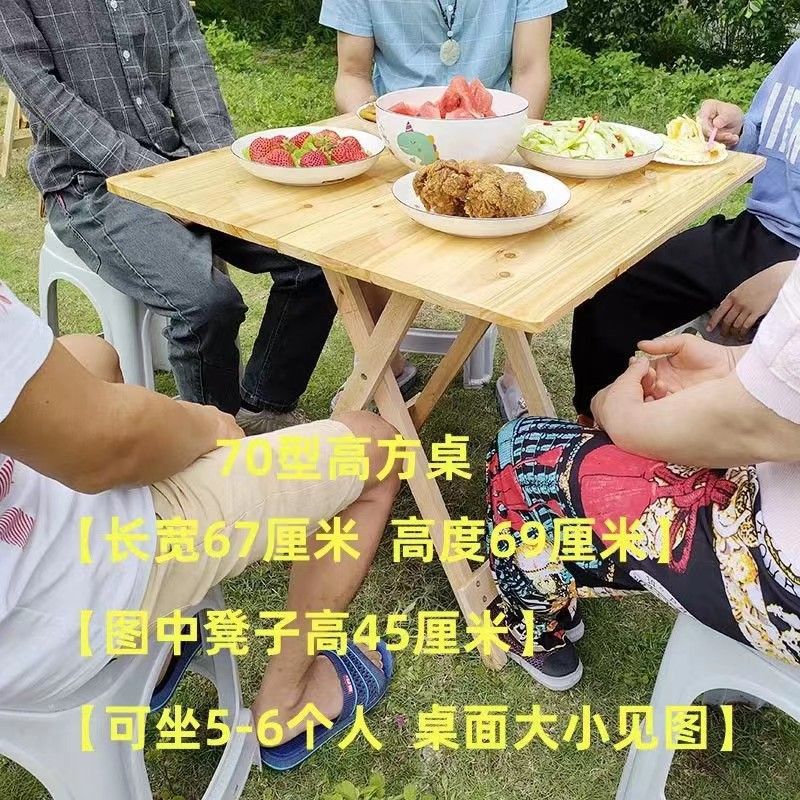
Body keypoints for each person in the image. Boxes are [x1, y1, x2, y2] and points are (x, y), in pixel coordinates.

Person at [0, 281, 400, 768]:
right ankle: (287, 702)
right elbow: (108, 444)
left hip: (27, 554)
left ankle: (162, 649)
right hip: (58, 607)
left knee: (91, 352)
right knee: (379, 445)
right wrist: (206, 424)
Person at [0, 0, 337, 435]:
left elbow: (187, 59)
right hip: (87, 182)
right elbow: (45, 95)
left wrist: (213, 166)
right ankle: (215, 442)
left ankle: (263, 409)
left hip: (179, 163)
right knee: (206, 305)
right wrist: (156, 184)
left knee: (316, 260)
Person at [485, 258, 800, 690]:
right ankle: (556, 589)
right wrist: (732, 366)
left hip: (774, 574)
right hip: (777, 489)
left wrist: (611, 408)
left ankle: (530, 628)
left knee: (520, 454)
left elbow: (749, 426)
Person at [320, 0, 566, 409]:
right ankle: (386, 363)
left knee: (531, 217)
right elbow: (352, 74)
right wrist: (381, 123)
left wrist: (508, 135)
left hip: (493, 136)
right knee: (353, 225)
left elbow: (531, 68)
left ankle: (517, 375)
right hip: (399, 140)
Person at [571, 40, 800, 420]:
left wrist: (789, 277)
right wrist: (740, 130)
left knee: (756, 386)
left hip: (792, 264)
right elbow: (770, 148)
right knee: (606, 293)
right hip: (756, 230)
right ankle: (595, 426)